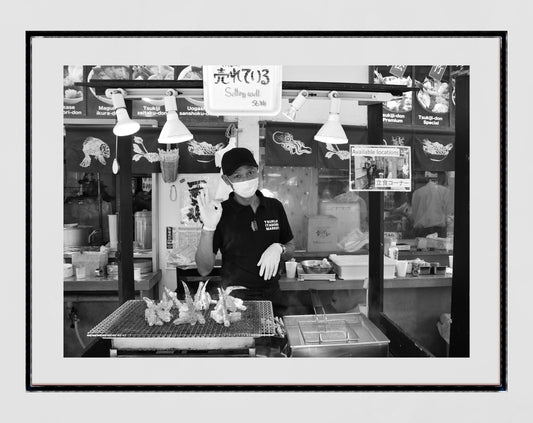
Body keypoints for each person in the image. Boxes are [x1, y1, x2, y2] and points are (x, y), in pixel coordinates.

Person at [195, 147, 295, 316]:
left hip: (273, 296)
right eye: (237, 176)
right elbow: (204, 269)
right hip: (235, 299)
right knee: (243, 343)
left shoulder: (274, 207)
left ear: (258, 170)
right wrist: (208, 228)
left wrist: (279, 248)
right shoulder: (220, 212)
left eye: (250, 172)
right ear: (227, 180)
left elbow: (291, 246)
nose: (246, 179)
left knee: (275, 341)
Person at [410, 173, 453, 238]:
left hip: (421, 231)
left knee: (421, 247)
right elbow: (448, 212)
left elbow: (414, 214)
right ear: (444, 180)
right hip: (439, 231)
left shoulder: (417, 193)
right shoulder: (445, 191)